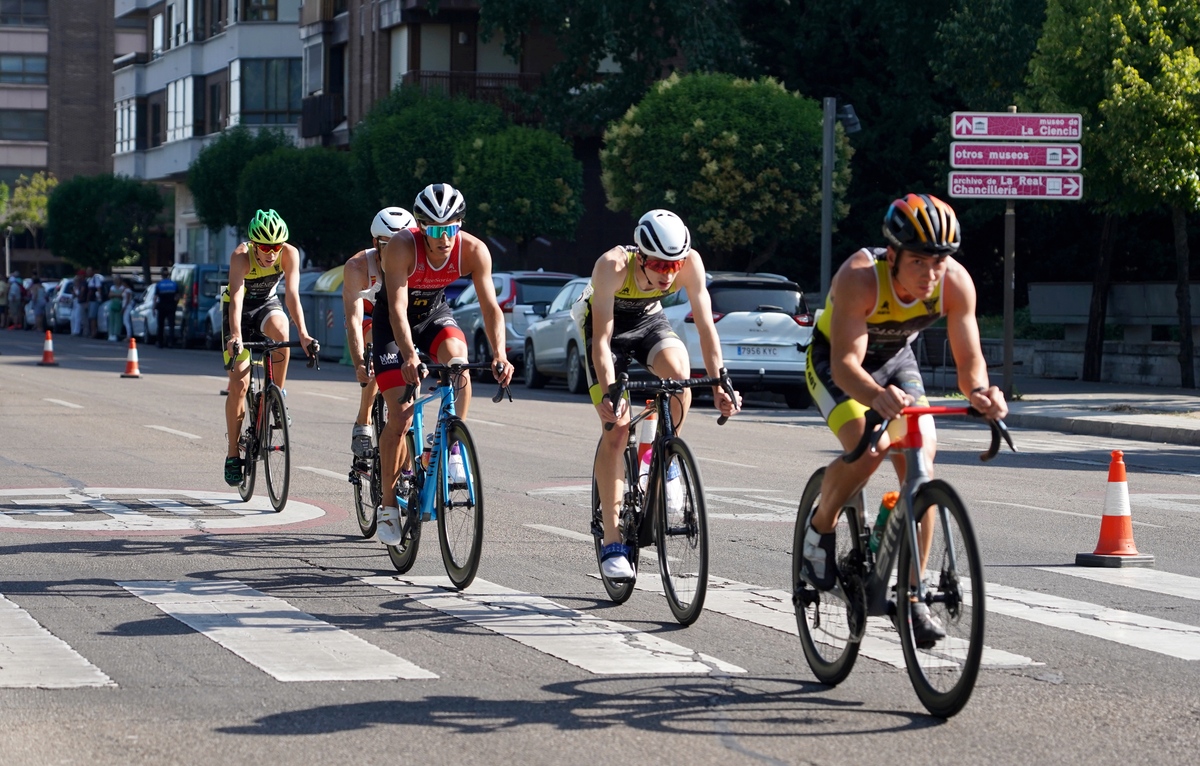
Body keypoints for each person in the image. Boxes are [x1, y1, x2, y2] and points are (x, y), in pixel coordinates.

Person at [798, 192, 1008, 644]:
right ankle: (821, 526)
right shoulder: (860, 278)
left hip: (896, 362)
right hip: (840, 364)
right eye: (918, 262)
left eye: (939, 262)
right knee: (868, 449)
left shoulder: (955, 283)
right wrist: (875, 396)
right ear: (892, 255)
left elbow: (970, 361)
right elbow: (845, 365)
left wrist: (982, 394)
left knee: (920, 467)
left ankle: (912, 596)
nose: (930, 275)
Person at [582, 209, 743, 581]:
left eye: (675, 264)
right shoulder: (612, 266)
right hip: (605, 330)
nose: (667, 274)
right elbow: (602, 343)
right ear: (640, 254)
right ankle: (612, 540)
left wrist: (720, 381)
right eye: (658, 264)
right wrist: (611, 393)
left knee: (680, 376)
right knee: (618, 426)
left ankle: (663, 454)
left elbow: (706, 328)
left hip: (648, 321)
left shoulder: (690, 265)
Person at [372, 183, 514, 545]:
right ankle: (388, 505)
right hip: (395, 324)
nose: (443, 238)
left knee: (459, 365)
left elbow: (490, 308)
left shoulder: (475, 251)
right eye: (434, 230)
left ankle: (450, 444)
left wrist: (500, 353)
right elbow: (397, 309)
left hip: (434, 315)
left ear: (459, 225)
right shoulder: (402, 247)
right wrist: (408, 355)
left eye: (450, 228)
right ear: (421, 228)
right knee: (401, 415)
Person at [221, 209, 316, 486]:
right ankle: (231, 454)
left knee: (283, 332)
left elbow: (293, 297)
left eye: (276, 246)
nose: (271, 253)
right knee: (239, 382)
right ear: (254, 244)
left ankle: (276, 396)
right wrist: (236, 335)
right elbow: (236, 298)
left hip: (266, 305)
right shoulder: (241, 256)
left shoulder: (290, 254)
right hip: (237, 311)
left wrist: (306, 334)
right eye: (265, 247)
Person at [343, 206, 416, 460]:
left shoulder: (414, 260)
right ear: (376, 243)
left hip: (401, 322)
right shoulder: (357, 267)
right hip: (371, 320)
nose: (396, 251)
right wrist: (359, 362)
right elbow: (353, 319)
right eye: (388, 244)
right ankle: (363, 419)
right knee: (375, 351)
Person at [155, 266, 179, 348]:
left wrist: (154, 307)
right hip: (171, 306)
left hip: (161, 306)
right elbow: (177, 296)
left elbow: (155, 297)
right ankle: (171, 342)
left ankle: (160, 342)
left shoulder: (159, 285)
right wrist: (175, 304)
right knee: (171, 325)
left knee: (161, 325)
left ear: (161, 275)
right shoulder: (174, 284)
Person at [86, 267, 104, 338]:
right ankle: (92, 331)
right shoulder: (89, 280)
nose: (88, 273)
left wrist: (99, 298)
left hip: (94, 300)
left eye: (89, 271)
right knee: (90, 317)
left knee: (93, 317)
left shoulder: (96, 279)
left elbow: (99, 289)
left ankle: (94, 332)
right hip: (90, 300)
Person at [71, 271, 87, 336]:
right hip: (74, 303)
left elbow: (79, 295)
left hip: (79, 303)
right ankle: (73, 330)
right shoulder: (74, 287)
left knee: (78, 317)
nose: (76, 282)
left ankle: (77, 331)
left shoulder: (80, 287)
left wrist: (75, 293)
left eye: (77, 281)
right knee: (72, 317)